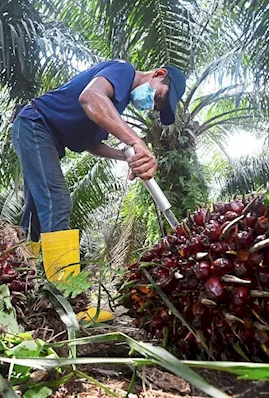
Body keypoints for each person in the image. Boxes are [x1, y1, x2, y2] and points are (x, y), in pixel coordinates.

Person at [11, 60, 186, 291]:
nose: (152, 105)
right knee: (57, 201)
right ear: (159, 74)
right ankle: (64, 292)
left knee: (35, 214)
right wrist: (135, 140)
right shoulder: (123, 71)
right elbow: (89, 98)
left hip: (40, 132)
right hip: (36, 124)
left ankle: (19, 278)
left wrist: (126, 156)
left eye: (157, 107)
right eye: (159, 97)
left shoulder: (117, 102)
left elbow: (90, 143)